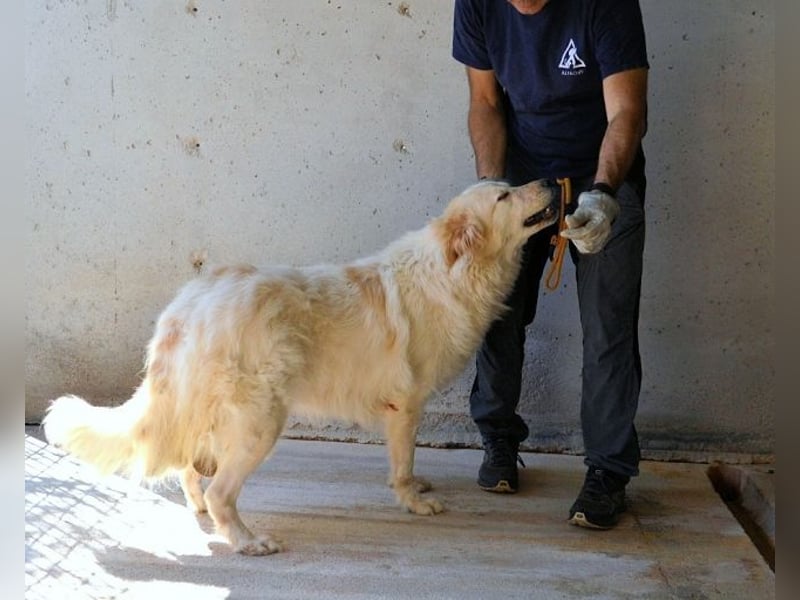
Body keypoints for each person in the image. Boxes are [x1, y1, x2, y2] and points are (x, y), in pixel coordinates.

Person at [452, 0, 649, 529]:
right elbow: (485, 101)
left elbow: (627, 111)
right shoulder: (477, 4)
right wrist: (492, 192)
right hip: (523, 176)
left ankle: (608, 472)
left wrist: (604, 193)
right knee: (497, 311)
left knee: (608, 327)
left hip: (601, 171)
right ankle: (497, 439)